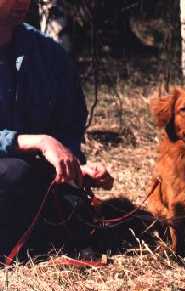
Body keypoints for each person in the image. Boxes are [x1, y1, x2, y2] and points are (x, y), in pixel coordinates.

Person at [0, 0, 113, 258]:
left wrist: (73, 166)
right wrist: (37, 141)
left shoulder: (47, 53)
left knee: (72, 205)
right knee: (15, 173)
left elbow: (69, 120)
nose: (22, 2)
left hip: (33, 177)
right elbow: (41, 144)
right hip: (14, 175)